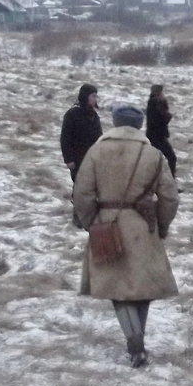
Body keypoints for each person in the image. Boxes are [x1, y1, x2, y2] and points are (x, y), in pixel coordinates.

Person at [73, 105, 179, 368]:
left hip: (107, 225)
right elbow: (170, 197)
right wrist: (162, 225)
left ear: (115, 122)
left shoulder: (97, 151)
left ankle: (135, 344)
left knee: (117, 290)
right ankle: (137, 343)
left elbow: (82, 194)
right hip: (143, 227)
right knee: (141, 290)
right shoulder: (153, 154)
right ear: (140, 125)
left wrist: (90, 222)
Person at [60, 84, 102, 181]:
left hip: (93, 159)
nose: (95, 99)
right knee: (79, 187)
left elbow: (99, 136)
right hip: (77, 159)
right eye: (93, 96)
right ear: (85, 96)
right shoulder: (72, 114)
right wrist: (69, 159)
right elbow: (65, 138)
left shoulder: (94, 115)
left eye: (96, 96)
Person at [145, 84, 177, 178]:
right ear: (159, 93)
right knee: (171, 158)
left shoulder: (152, 103)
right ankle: (170, 183)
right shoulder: (157, 103)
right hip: (158, 137)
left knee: (154, 161)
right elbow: (161, 120)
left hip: (153, 136)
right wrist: (168, 115)